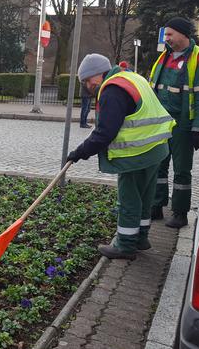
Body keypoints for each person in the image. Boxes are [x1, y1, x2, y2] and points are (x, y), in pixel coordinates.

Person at [67, 54, 176, 259]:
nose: (89, 86)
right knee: (145, 197)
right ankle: (141, 238)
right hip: (156, 148)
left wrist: (79, 153)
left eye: (88, 80)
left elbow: (104, 133)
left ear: (99, 73)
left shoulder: (112, 90)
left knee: (129, 200)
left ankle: (125, 246)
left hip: (135, 154)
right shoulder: (132, 78)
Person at [148, 17, 199, 228]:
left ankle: (180, 213)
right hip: (162, 122)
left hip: (183, 124)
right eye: (165, 34)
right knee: (158, 165)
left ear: (183, 34)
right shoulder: (163, 58)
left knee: (181, 170)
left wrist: (198, 127)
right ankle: (156, 205)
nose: (166, 38)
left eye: (170, 34)